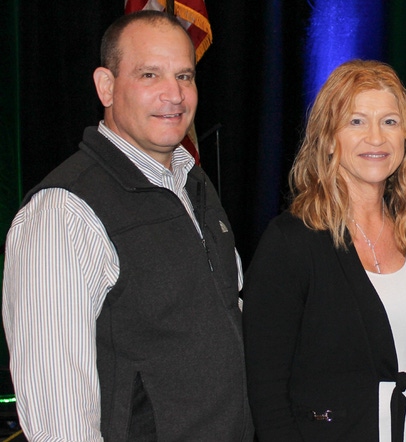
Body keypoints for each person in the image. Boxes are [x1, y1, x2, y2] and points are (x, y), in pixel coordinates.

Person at [1, 11, 253, 441]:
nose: (173, 95)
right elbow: (57, 415)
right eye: (150, 75)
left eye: (185, 76)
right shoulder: (63, 212)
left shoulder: (195, 184)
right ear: (106, 86)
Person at [242, 60, 406, 442]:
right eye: (356, 122)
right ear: (328, 137)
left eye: (389, 121)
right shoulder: (290, 241)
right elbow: (266, 394)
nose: (376, 138)